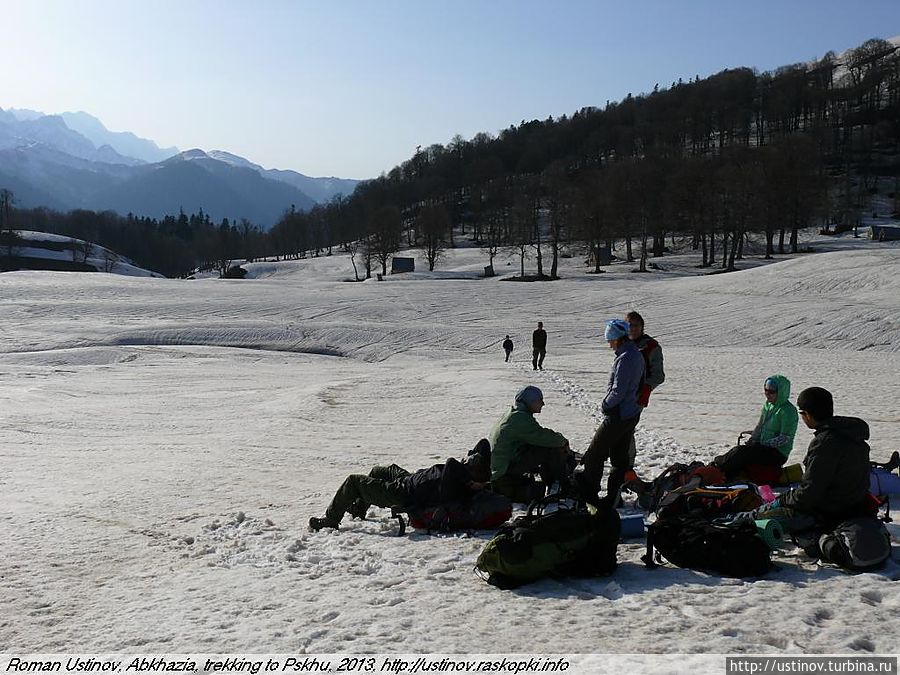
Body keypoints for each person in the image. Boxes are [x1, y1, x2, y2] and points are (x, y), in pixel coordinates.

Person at [732, 387, 872, 537]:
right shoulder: (853, 435)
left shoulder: (824, 443)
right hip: (852, 507)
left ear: (808, 415)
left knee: (748, 519)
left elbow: (808, 494)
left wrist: (781, 501)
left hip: (825, 513)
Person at [309, 440, 491, 531]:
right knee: (379, 470)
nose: (468, 461)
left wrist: (471, 479)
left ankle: (331, 520)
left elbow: (451, 463)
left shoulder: (458, 483)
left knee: (353, 482)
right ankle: (359, 509)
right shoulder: (462, 478)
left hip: (404, 493)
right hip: (409, 479)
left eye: (473, 462)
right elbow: (484, 443)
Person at [575, 319, 645, 509]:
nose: (609, 344)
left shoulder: (626, 358)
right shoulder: (633, 354)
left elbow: (618, 390)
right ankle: (614, 497)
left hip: (619, 415)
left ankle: (590, 496)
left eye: (610, 339)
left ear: (616, 338)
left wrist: (605, 405)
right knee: (620, 457)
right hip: (630, 413)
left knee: (595, 454)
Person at [488, 386, 571, 502]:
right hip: (504, 470)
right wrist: (563, 441)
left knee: (544, 446)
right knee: (551, 449)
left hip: (501, 466)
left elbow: (538, 436)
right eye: (539, 400)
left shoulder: (514, 414)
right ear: (529, 402)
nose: (543, 403)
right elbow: (546, 438)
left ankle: (554, 480)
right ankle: (560, 485)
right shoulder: (520, 419)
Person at [713, 375, 798, 480]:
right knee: (738, 451)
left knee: (741, 453)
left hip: (778, 453)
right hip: (764, 447)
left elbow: (784, 438)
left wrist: (762, 444)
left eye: (771, 391)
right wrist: (753, 440)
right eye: (766, 390)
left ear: (781, 392)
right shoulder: (768, 405)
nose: (767, 394)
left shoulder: (788, 411)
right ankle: (718, 469)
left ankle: (717, 470)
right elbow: (760, 426)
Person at [625, 311, 665, 406]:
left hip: (637, 396)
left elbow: (658, 376)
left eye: (636, 325)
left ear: (642, 327)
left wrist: (645, 390)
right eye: (630, 325)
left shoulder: (651, 347)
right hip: (621, 393)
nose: (633, 328)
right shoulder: (624, 345)